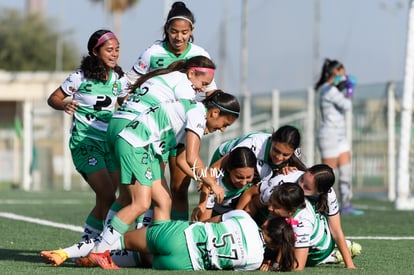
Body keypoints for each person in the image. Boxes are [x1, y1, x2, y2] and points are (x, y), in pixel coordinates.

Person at [87, 90, 240, 263]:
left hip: (146, 149)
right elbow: (192, 157)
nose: (222, 129)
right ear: (214, 112)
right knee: (140, 203)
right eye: (224, 123)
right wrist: (212, 182)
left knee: (164, 200)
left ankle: (155, 252)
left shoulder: (194, 112)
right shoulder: (197, 114)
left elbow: (182, 161)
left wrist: (201, 179)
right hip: (136, 145)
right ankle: (99, 252)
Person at [40, 29, 128, 267]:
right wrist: (65, 104)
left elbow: (128, 104)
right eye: (109, 49)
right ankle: (91, 248)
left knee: (112, 199)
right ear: (95, 52)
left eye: (117, 49)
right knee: (108, 194)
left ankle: (88, 249)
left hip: (110, 144)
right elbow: (54, 98)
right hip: (85, 143)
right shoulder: (79, 77)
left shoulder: (119, 79)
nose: (115, 54)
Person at [124, 1, 218, 220]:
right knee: (152, 185)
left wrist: (203, 121)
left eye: (184, 32)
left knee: (179, 188)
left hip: (184, 130)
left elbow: (211, 92)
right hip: (155, 128)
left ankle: (177, 233)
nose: (178, 37)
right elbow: (129, 85)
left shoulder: (200, 54)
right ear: (166, 30)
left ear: (192, 31)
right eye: (174, 31)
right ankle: (146, 233)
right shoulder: (152, 53)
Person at [106, 55, 216, 224]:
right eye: (203, 84)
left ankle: (105, 242)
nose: (202, 89)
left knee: (131, 197)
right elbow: (188, 149)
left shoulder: (167, 76)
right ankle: (124, 243)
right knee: (148, 200)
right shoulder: (185, 88)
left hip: (117, 123)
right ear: (192, 73)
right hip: (136, 132)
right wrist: (208, 180)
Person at [89, 210, 297, 271]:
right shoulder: (255, 261)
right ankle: (104, 259)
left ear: (267, 224)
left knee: (121, 240)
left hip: (181, 236)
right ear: (275, 245)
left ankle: (74, 253)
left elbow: (211, 221)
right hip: (184, 265)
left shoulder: (244, 217)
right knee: (144, 260)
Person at [249, 164, 361, 270]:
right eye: (302, 179)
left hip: (316, 249)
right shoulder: (283, 182)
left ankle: (330, 256)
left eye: (306, 187)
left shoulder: (303, 220)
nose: (300, 185)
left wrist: (349, 265)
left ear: (319, 192)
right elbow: (251, 194)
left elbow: (336, 230)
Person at [314, 58, 363, 215]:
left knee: (346, 170)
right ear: (335, 73)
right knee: (327, 174)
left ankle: (346, 204)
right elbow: (347, 105)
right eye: (343, 73)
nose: (345, 76)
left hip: (340, 136)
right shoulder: (328, 90)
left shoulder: (333, 90)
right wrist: (350, 90)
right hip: (329, 136)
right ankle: (321, 205)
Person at [191, 146, 260, 222]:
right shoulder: (214, 185)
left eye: (249, 177)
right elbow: (203, 224)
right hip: (218, 219)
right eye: (239, 177)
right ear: (228, 169)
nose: (244, 183)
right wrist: (226, 218)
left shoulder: (260, 175)